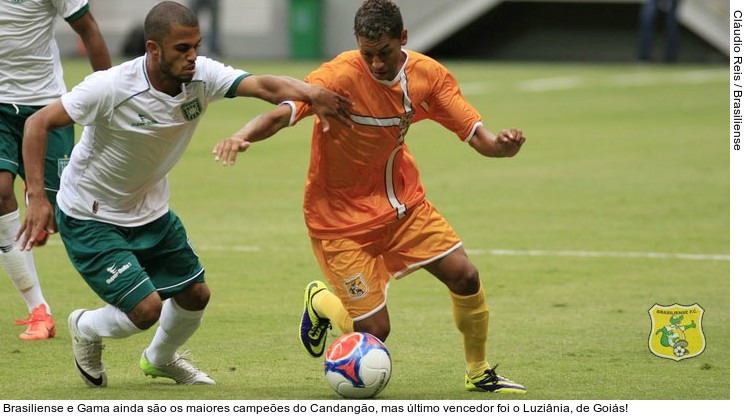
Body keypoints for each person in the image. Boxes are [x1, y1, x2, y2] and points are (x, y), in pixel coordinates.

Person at [18, 1, 351, 387]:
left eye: (196, 45)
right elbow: (38, 124)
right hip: (91, 213)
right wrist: (38, 197)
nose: (192, 56)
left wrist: (312, 92)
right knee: (145, 310)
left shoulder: (202, 76)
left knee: (195, 294)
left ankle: (159, 359)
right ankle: (86, 327)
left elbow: (265, 86)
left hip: (150, 209)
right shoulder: (111, 87)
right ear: (153, 48)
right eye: (182, 48)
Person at [213, 0, 527, 394]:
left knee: (465, 276)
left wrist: (502, 147)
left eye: (385, 53)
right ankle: (323, 302)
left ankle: (478, 371)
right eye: (368, 54)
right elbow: (282, 111)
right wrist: (242, 136)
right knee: (377, 330)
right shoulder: (338, 77)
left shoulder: (429, 76)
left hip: (402, 207)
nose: (377, 64)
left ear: (404, 39)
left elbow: (480, 139)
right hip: (338, 222)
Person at [0, 0, 111, 341]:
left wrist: (110, 96)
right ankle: (38, 311)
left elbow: (88, 28)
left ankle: (38, 196)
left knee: (56, 219)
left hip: (47, 105)